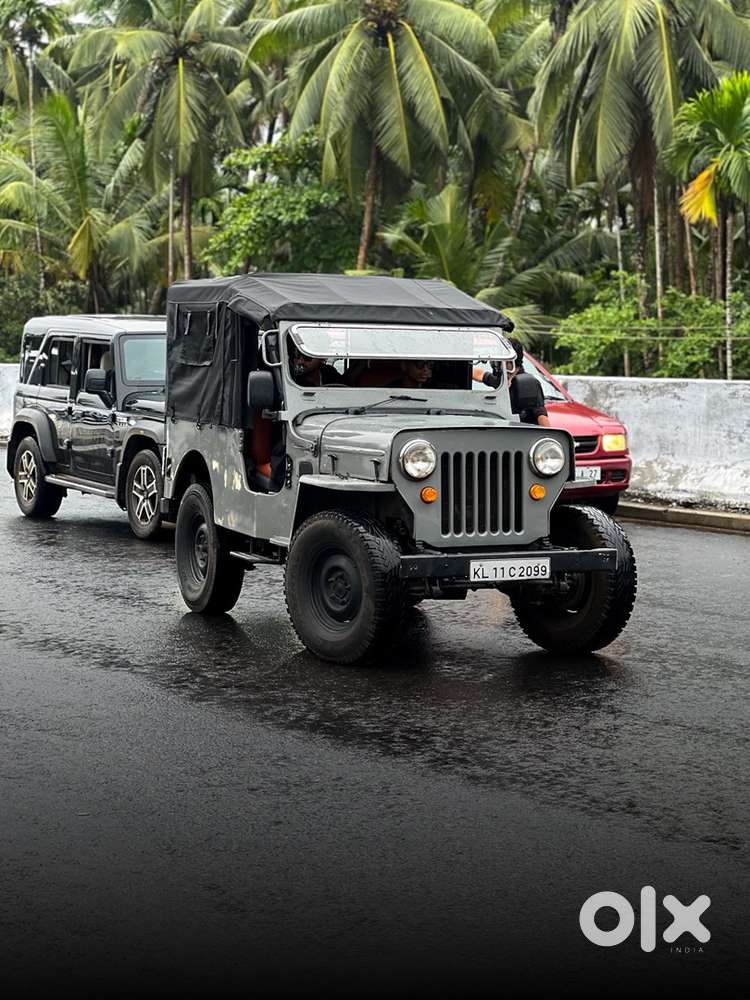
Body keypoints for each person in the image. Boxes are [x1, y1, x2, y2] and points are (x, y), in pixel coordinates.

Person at [474, 338, 550, 426]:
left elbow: (541, 416)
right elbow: (480, 375)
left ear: (510, 361)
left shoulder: (528, 384)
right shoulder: (501, 380)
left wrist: (549, 433)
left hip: (524, 431)